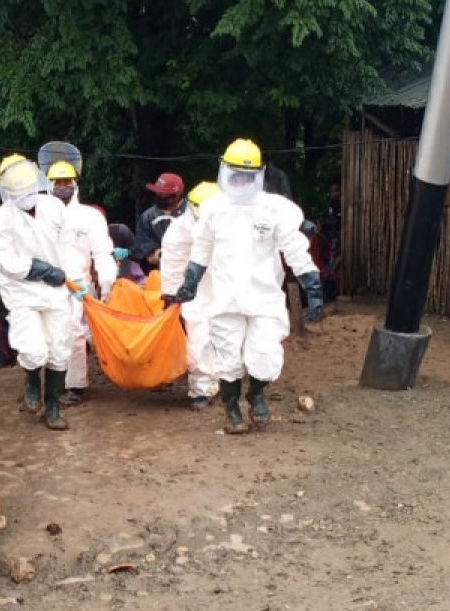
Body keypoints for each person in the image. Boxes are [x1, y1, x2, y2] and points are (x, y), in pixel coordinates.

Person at [176, 138, 324, 435]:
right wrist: (190, 282)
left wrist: (313, 286)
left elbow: (293, 247)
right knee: (228, 359)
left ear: (259, 174)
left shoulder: (274, 209)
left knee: (266, 356)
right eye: (236, 174)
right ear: (225, 172)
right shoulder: (213, 209)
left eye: (248, 175)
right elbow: (201, 250)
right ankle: (232, 410)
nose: (242, 181)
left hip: (265, 298)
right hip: (225, 299)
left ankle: (256, 393)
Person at [0, 154, 75, 430]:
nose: (27, 197)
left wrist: (73, 277)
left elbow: (68, 245)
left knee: (60, 349)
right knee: (34, 349)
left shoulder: (53, 207)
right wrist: (43, 270)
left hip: (57, 290)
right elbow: (7, 262)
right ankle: (32, 383)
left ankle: (53, 407)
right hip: (22, 291)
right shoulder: (0, 220)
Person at [45, 160, 116, 404]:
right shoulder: (40, 217)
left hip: (78, 285)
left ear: (75, 184)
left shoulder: (90, 216)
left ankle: (75, 385)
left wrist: (107, 281)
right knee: (49, 336)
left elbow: (102, 252)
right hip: (46, 283)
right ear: (49, 185)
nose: (63, 186)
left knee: (74, 333)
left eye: (67, 182)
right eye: (58, 182)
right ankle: (45, 382)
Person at [161, 181, 221, 410]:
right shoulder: (178, 231)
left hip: (227, 289)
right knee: (199, 341)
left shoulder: (231, 222)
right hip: (194, 294)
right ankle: (201, 390)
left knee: (227, 339)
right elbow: (172, 266)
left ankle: (225, 381)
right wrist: (170, 296)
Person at [132, 172, 186, 272]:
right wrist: (164, 254)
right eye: (157, 193)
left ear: (177, 195)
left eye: (163, 194)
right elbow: (148, 256)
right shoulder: (148, 217)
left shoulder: (192, 214)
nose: (159, 196)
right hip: (161, 275)